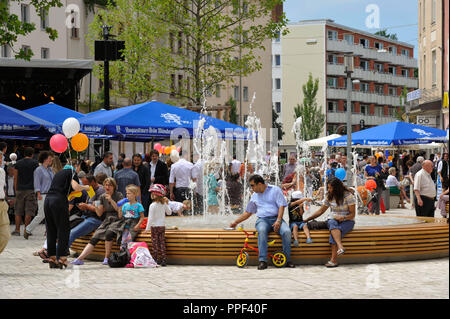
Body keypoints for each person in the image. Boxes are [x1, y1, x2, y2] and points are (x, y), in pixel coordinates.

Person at [229, 175, 295, 269]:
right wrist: (235, 222)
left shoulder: (275, 190)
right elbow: (248, 213)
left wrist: (278, 220)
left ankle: (287, 260)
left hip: (277, 218)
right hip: (262, 220)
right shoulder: (254, 196)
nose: (251, 188)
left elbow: (281, 206)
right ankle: (263, 260)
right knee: (262, 230)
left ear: (259, 184)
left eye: (252, 185)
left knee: (287, 232)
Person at [44, 164, 90, 268]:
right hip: (58, 201)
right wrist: (85, 187)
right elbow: (76, 187)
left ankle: (52, 258)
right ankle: (62, 258)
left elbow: (68, 190)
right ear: (76, 166)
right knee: (63, 230)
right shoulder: (71, 172)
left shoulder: (58, 174)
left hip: (48, 200)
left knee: (51, 229)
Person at [304, 177, 356, 268]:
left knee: (334, 232)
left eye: (331, 188)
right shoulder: (329, 196)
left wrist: (343, 218)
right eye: (329, 188)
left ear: (337, 188)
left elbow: (353, 214)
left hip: (347, 221)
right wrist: (307, 219)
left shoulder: (348, 196)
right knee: (332, 223)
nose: (330, 190)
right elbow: (321, 211)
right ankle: (340, 247)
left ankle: (334, 260)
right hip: (333, 220)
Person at [71, 177, 124, 265]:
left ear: (114, 187)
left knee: (109, 233)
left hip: (118, 219)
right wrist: (95, 206)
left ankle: (106, 258)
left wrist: (111, 200)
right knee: (95, 237)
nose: (107, 187)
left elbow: (119, 212)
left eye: (110, 185)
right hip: (107, 219)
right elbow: (99, 213)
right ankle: (80, 259)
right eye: (106, 185)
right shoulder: (101, 197)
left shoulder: (119, 195)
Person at [24, 151, 54, 239]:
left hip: (51, 194)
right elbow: (36, 182)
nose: (51, 159)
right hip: (43, 194)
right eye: (49, 158)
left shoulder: (50, 169)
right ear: (45, 159)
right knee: (41, 214)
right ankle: (28, 229)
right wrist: (38, 193)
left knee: (51, 214)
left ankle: (50, 232)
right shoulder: (38, 170)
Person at [12, 147, 39, 236]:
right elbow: (37, 177)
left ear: (24, 154)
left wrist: (16, 189)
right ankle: (27, 230)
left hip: (20, 189)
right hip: (31, 189)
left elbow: (15, 177)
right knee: (29, 210)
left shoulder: (18, 163)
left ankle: (17, 230)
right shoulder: (35, 164)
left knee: (18, 210)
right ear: (32, 154)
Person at [146, 184, 172, 266]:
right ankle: (164, 259)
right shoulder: (163, 204)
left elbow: (150, 218)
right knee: (162, 243)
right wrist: (167, 203)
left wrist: (147, 229)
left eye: (152, 193)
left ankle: (156, 259)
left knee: (155, 244)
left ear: (155, 195)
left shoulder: (152, 205)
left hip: (154, 227)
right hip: (162, 226)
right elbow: (169, 212)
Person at [0, 152, 11, 254]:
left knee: (5, 235)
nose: (1, 161)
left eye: (1, 158)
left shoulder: (2, 171)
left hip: (2, 204)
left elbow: (2, 188)